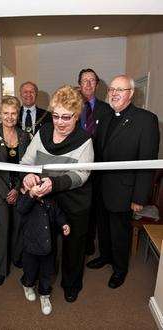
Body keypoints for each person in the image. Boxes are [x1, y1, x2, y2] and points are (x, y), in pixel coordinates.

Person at [20, 85, 94, 302]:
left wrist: (54, 183)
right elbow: (26, 162)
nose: (60, 122)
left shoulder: (84, 140)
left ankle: (71, 284)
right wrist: (28, 176)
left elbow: (82, 174)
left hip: (74, 200)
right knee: (42, 243)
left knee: (73, 247)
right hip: (46, 199)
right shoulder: (42, 133)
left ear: (77, 115)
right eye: (56, 116)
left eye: (66, 117)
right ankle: (36, 278)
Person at [87, 75, 160, 289]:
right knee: (103, 227)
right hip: (100, 187)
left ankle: (120, 269)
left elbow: (147, 162)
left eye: (120, 89)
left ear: (131, 93)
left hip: (124, 190)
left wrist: (139, 197)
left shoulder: (146, 120)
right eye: (111, 89)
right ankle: (106, 257)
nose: (114, 93)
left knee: (120, 232)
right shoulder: (105, 116)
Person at [0, 96, 30, 286]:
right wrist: (6, 192)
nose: (9, 117)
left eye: (13, 113)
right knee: (4, 228)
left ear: (18, 114)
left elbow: (26, 164)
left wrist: (17, 189)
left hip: (18, 189)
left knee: (18, 226)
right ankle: (1, 269)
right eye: (6, 113)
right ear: (0, 114)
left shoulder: (24, 136)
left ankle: (17, 257)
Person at [16, 182, 70, 315]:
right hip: (31, 248)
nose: (37, 189)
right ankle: (27, 285)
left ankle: (45, 296)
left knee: (47, 273)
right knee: (30, 272)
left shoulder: (50, 200)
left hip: (48, 248)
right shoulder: (25, 201)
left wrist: (64, 224)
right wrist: (31, 195)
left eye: (39, 186)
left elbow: (58, 214)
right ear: (24, 190)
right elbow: (21, 208)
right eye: (32, 187)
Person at [78, 68, 110, 256]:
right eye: (84, 80)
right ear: (79, 84)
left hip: (98, 169)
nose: (88, 84)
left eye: (92, 80)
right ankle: (77, 241)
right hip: (75, 168)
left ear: (97, 84)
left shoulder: (106, 110)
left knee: (96, 209)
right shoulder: (71, 106)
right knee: (78, 208)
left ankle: (89, 243)